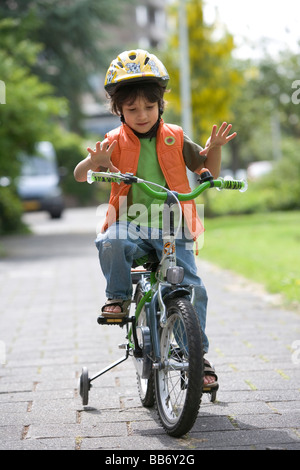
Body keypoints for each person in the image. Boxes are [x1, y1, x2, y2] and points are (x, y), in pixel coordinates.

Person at [74, 49, 237, 389]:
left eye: (149, 107)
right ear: (118, 109)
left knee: (193, 289)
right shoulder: (113, 142)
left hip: (171, 225)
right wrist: (95, 163)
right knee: (110, 239)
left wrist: (215, 149)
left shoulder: (175, 137)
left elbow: (208, 169)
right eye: (132, 109)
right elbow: (79, 175)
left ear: (161, 103)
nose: (142, 114)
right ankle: (117, 296)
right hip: (130, 222)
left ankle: (195, 356)